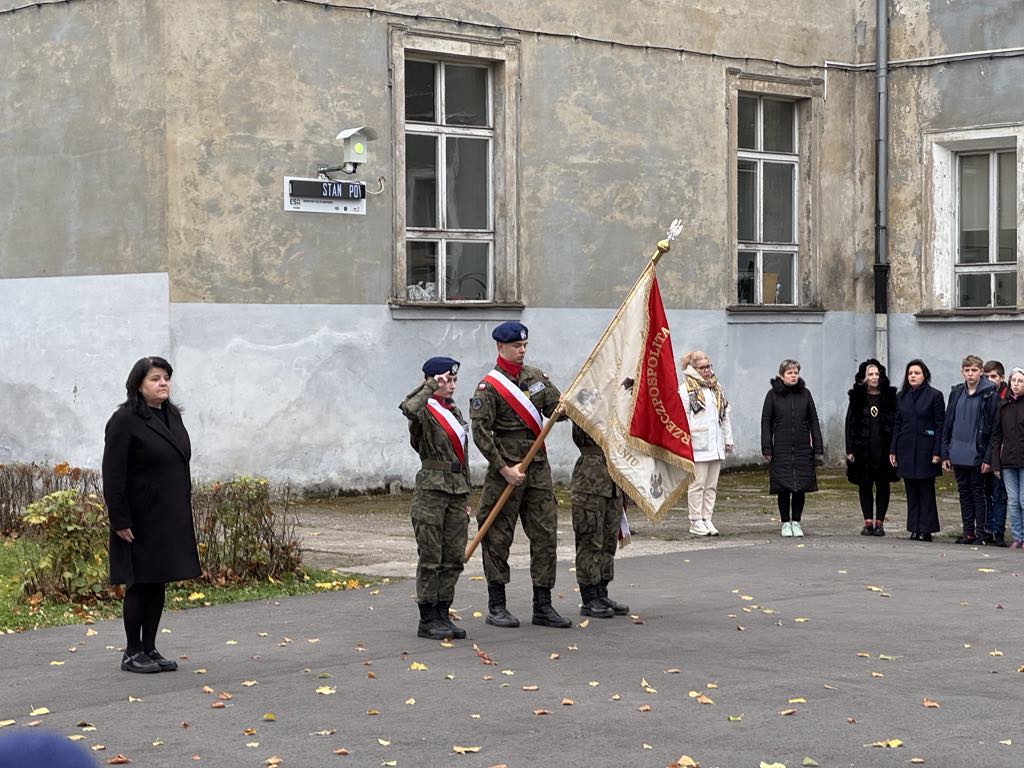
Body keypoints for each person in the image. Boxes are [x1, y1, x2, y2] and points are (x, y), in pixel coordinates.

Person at [102, 356, 200, 673]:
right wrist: (120, 520)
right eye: (155, 378)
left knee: (158, 582)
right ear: (138, 384)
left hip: (168, 517)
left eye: (166, 378)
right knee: (139, 583)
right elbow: (113, 475)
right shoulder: (125, 420)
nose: (163, 383)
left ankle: (150, 648)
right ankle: (131, 652)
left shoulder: (171, 416)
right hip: (139, 519)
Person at [471, 321, 571, 629]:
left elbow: (560, 411)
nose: (522, 350)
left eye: (525, 345)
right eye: (516, 346)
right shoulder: (489, 388)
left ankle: (543, 605)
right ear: (501, 347)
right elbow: (480, 431)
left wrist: (566, 403)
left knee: (544, 534)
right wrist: (504, 468)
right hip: (506, 469)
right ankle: (497, 605)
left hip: (537, 467)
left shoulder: (536, 377)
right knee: (498, 536)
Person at [399, 356, 472, 640]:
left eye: (453, 380)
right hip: (431, 492)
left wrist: (467, 493)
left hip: (456, 492)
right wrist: (429, 385)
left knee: (453, 557)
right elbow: (408, 408)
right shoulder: (424, 411)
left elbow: (463, 457)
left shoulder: (454, 412)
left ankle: (443, 613)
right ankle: (427, 618)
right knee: (431, 556)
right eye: (445, 380)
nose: (451, 385)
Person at [570, 422, 629, 618]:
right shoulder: (586, 396)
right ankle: (589, 597)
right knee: (590, 540)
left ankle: (601, 593)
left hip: (613, 474)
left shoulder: (618, 398)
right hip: (591, 478)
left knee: (608, 539)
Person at [760, 359, 823, 537]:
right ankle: (785, 522)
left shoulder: (805, 394)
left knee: (800, 486)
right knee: (784, 486)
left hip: (803, 447)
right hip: (781, 447)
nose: (793, 375)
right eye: (790, 373)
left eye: (796, 372)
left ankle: (796, 521)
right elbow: (766, 422)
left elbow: (813, 420)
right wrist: (767, 447)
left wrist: (817, 445)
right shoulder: (772, 395)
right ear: (782, 375)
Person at [941, 354, 998, 545]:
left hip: (977, 453)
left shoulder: (990, 393)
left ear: (981, 372)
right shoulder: (956, 392)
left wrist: (988, 458)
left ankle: (980, 535)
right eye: (967, 370)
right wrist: (945, 453)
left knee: (978, 494)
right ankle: (968, 533)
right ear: (962, 372)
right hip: (957, 452)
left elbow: (992, 429)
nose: (970, 374)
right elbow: (948, 424)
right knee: (964, 494)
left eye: (974, 370)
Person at [889, 359, 945, 541]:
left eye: (917, 373)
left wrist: (938, 451)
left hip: (926, 449)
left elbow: (939, 425)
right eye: (910, 373)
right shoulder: (901, 397)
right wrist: (893, 450)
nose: (913, 376)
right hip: (906, 448)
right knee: (911, 489)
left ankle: (926, 529)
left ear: (924, 375)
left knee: (926, 490)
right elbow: (897, 424)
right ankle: (914, 527)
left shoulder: (934, 396)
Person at [679, 350, 733, 536]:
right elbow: (682, 418)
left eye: (709, 366)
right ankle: (695, 520)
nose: (707, 370)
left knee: (711, 485)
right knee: (697, 484)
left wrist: (728, 438)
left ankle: (707, 518)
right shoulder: (686, 388)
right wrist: (684, 442)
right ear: (693, 369)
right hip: (697, 443)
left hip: (715, 443)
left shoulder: (715, 387)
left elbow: (724, 414)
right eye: (702, 367)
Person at [844, 359, 899, 536]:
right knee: (865, 484)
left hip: (884, 449)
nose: (874, 377)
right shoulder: (857, 397)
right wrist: (850, 449)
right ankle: (868, 521)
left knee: (883, 484)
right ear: (864, 377)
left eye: (877, 374)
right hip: (863, 449)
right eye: (871, 374)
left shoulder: (890, 397)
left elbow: (897, 423)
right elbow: (849, 423)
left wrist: (894, 449)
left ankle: (880, 522)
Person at [989, 368, 1024, 548]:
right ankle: (1018, 537)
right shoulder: (1003, 406)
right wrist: (996, 463)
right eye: (1014, 381)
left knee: (1023, 500)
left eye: (1020, 381)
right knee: (1013, 501)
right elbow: (996, 436)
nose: (1016, 384)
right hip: (1008, 461)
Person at [983, 360, 1009, 545]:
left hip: (1001, 454)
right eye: (987, 377)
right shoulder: (982, 395)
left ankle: (999, 530)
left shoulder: (1007, 398)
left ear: (1001, 378)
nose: (990, 380)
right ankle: (987, 529)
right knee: (985, 493)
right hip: (984, 452)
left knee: (999, 494)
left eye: (993, 376)